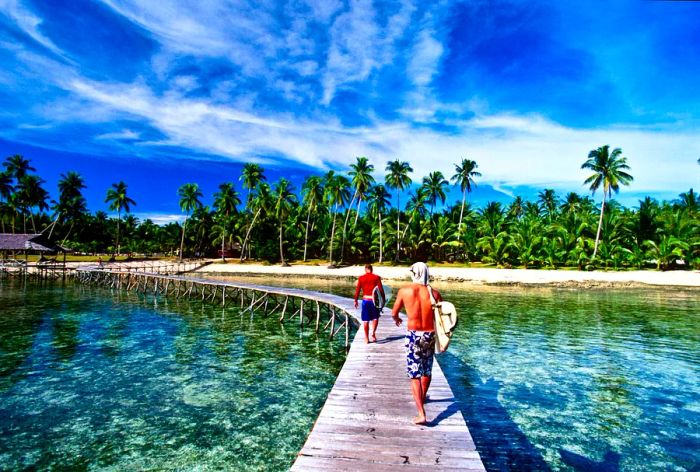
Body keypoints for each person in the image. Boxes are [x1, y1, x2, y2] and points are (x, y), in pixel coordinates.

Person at [391, 261, 442, 425]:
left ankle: (421, 413)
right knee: (426, 370)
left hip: (414, 336)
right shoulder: (434, 294)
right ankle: (423, 397)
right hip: (429, 335)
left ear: (414, 274)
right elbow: (441, 318)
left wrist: (397, 318)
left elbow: (394, 312)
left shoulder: (405, 291)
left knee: (414, 374)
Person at [354, 264, 385, 343]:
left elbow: (357, 290)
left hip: (366, 301)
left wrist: (356, 300)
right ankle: (373, 334)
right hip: (374, 301)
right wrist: (383, 300)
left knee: (365, 320)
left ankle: (366, 338)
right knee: (375, 318)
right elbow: (381, 290)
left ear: (365, 270)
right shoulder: (376, 277)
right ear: (372, 269)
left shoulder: (361, 278)